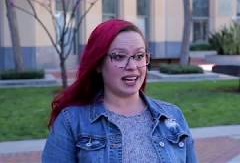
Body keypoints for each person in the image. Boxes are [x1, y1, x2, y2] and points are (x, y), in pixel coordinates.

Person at [42, 19, 198, 163]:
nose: (132, 66)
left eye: (139, 56)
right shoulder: (72, 121)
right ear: (98, 64)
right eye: (119, 56)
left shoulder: (173, 117)